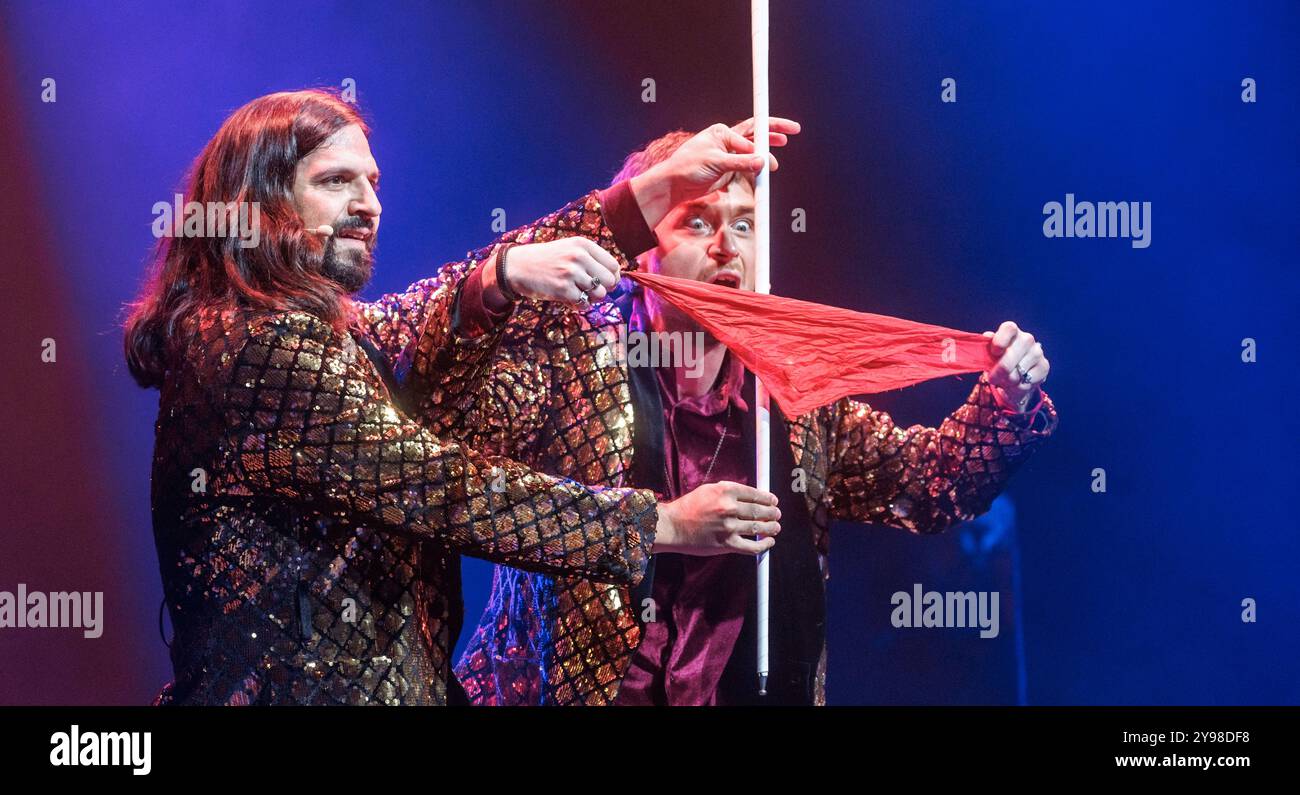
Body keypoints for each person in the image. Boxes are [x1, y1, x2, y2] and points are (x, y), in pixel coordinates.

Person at [123, 90, 787, 705]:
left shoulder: (332, 335)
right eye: (335, 182)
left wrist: (510, 271)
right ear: (260, 206)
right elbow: (443, 487)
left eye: (373, 183)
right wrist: (662, 525)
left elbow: (422, 313)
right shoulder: (255, 347)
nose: (369, 204)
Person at [421, 125, 1059, 706]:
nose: (728, 249)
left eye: (747, 226)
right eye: (697, 223)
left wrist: (1006, 398)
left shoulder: (793, 394)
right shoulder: (568, 357)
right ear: (641, 251)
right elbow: (451, 449)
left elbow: (927, 488)